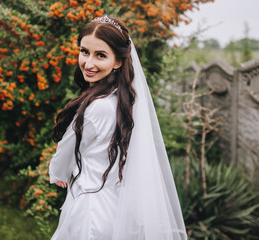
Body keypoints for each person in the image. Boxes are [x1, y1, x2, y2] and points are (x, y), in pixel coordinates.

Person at [49, 15, 187, 240]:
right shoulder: (124, 100)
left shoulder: (96, 108)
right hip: (117, 207)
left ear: (118, 61)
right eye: (84, 52)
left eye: (100, 55)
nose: (89, 63)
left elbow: (67, 148)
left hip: (90, 211)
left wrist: (57, 173)